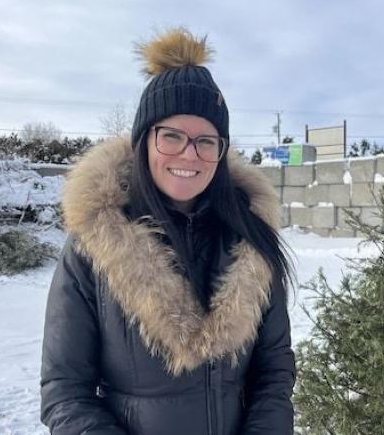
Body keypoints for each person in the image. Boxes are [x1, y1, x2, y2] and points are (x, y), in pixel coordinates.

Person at [40, 28, 295, 435]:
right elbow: (65, 392)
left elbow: (274, 373)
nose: (189, 154)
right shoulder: (95, 244)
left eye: (206, 141)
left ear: (221, 151)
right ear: (144, 141)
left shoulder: (251, 239)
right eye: (171, 136)